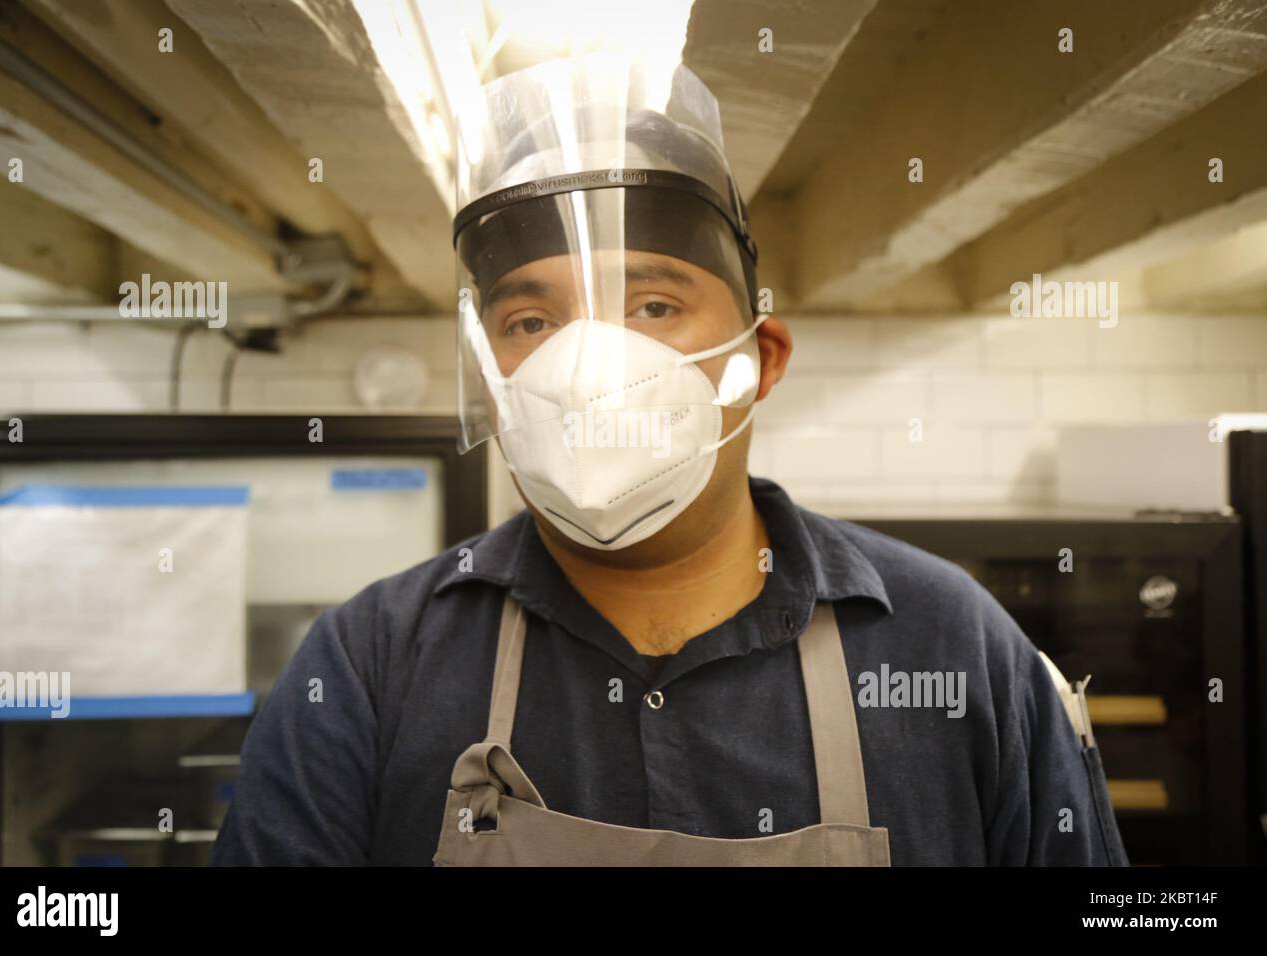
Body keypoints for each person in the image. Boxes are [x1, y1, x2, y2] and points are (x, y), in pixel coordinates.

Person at [211, 52, 1128, 866]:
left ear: (759, 361)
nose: (588, 366)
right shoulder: (373, 664)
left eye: (652, 306)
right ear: (493, 383)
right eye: (531, 322)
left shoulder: (952, 645)